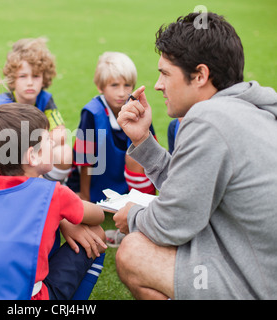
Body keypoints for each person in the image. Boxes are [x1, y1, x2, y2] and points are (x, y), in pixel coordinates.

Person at [115, 12, 277, 299]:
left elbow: (171, 224)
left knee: (134, 251)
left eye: (165, 73)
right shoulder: (251, 109)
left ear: (200, 75)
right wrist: (142, 139)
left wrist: (134, 217)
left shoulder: (208, 117)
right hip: (259, 267)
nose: (157, 85)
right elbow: (190, 191)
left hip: (258, 285)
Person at [0, 103, 107, 300]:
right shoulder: (53, 193)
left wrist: (61, 218)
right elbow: (98, 215)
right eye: (47, 139)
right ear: (32, 156)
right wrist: (66, 216)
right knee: (96, 234)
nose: (53, 143)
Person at [67, 51, 156, 204]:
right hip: (95, 182)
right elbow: (84, 159)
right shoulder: (92, 112)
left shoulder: (139, 111)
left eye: (127, 85)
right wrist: (85, 197)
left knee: (142, 152)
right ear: (100, 87)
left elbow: (152, 156)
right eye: (114, 85)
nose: (121, 93)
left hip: (128, 184)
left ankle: (144, 203)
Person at [0, 37, 72, 183]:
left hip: (36, 154)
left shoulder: (44, 99)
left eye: (35, 76)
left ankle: (53, 189)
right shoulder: (4, 103)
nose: (30, 82)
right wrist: (40, 143)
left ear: (44, 78)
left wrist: (37, 147)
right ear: (13, 79)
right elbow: (6, 142)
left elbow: (61, 134)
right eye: (23, 76)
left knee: (64, 152)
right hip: (12, 160)